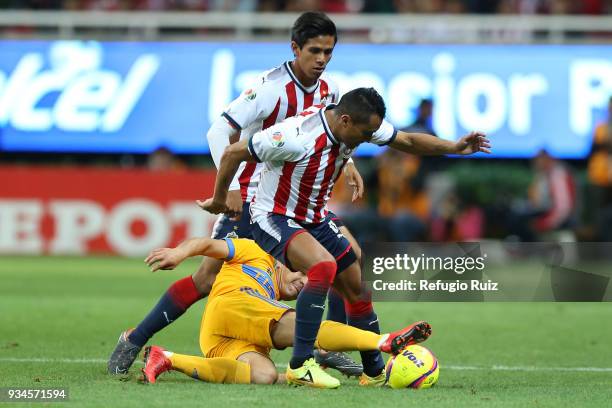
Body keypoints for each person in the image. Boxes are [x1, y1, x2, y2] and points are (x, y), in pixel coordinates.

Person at [108, 11, 365, 377]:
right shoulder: (269, 88)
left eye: (328, 51)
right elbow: (218, 132)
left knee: (344, 260)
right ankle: (135, 338)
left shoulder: (330, 91)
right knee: (206, 279)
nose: (322, 59)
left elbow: (335, 133)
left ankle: (325, 349)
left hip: (293, 200)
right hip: (251, 198)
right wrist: (228, 188)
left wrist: (348, 161)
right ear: (295, 48)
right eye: (314, 51)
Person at [199, 87, 490, 388]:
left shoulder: (356, 125)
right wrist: (223, 196)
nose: (369, 139)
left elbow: (406, 140)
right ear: (346, 121)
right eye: (365, 134)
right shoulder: (295, 136)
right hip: (272, 216)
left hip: (313, 217)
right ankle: (301, 366)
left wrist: (454, 147)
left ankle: (374, 372)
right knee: (323, 267)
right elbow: (233, 151)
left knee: (357, 284)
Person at [139, 236, 431, 386]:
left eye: (305, 283)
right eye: (300, 275)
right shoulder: (256, 250)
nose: (302, 283)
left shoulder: (272, 296)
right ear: (285, 262)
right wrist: (179, 252)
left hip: (218, 336)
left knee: (264, 375)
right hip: (232, 301)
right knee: (303, 326)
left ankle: (166, 358)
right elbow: (206, 244)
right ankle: (383, 341)